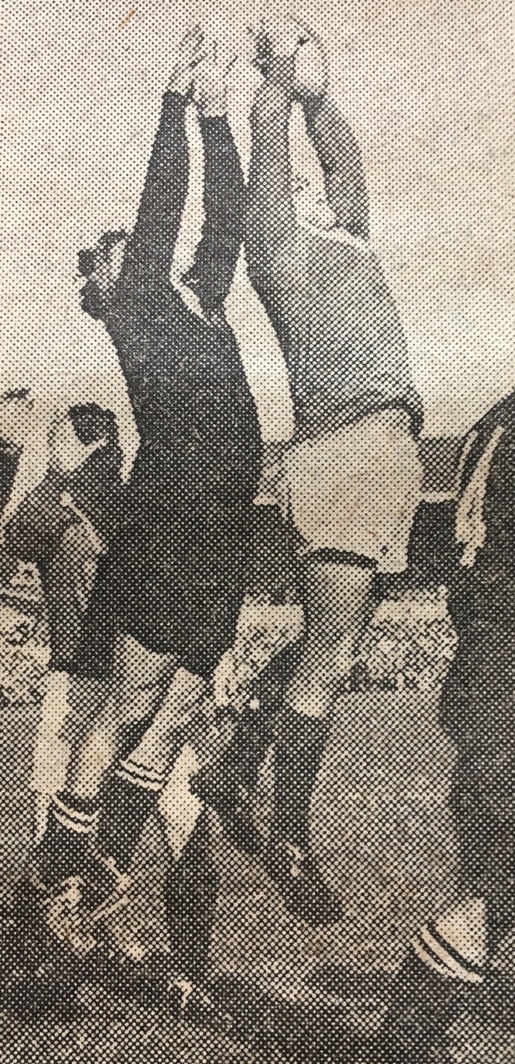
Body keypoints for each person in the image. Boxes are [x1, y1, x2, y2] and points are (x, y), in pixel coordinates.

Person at [27, 29, 262, 969]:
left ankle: (86, 884)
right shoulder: (136, 309)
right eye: (118, 249)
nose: (134, 245)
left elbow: (227, 220)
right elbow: (164, 205)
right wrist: (175, 103)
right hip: (168, 516)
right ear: (107, 284)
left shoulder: (196, 299)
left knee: (170, 710)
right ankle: (56, 883)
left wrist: (217, 116)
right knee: (127, 706)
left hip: (220, 525)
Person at [241, 19, 424, 924]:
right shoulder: (278, 248)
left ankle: (241, 762)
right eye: (301, 185)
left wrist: (322, 90)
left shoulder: (346, 236)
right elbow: (271, 147)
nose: (317, 184)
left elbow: (339, 153)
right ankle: (281, 828)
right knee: (329, 654)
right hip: (345, 452)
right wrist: (276, 79)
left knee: (334, 651)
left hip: (384, 452)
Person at [350, 390, 515, 1064]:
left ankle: (406, 1051)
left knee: (494, 889)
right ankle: (399, 1052)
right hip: (505, 671)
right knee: (492, 891)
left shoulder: (493, 420)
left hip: (484, 670)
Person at [3, 404, 124, 830]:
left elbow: (16, 539)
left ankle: (55, 870)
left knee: (56, 767)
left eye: (60, 438)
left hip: (77, 658)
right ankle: (187, 866)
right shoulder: (114, 495)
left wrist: (55, 477)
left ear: (94, 443)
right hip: (107, 656)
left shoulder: (75, 498)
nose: (52, 446)